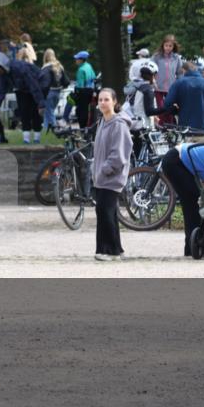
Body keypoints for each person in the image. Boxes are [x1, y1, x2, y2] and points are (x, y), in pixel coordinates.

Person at [161, 142, 204, 258]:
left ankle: (192, 246)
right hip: (176, 161)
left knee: (192, 203)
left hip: (177, 160)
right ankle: (198, 247)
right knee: (192, 202)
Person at [91, 88, 132, 261]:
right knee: (108, 212)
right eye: (100, 100)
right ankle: (116, 249)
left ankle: (109, 251)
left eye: (106, 99)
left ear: (114, 102)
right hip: (101, 178)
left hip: (112, 177)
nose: (102, 103)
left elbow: (119, 154)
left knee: (104, 210)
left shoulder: (119, 124)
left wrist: (105, 169)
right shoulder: (102, 121)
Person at [0, 51, 45, 144]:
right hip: (21, 90)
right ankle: (26, 139)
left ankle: (36, 138)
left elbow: (33, 85)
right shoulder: (2, 74)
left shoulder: (20, 68)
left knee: (36, 112)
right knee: (23, 112)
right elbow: (1, 90)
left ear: (2, 66)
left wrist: (40, 103)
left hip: (36, 86)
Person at [163, 62, 204, 133]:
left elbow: (167, 104)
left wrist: (176, 111)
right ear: (196, 69)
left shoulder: (178, 83)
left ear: (183, 70)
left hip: (185, 130)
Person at [151, 34, 183, 125]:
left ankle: (170, 126)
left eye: (170, 46)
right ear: (163, 45)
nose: (168, 48)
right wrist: (153, 80)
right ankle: (161, 126)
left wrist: (179, 85)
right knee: (161, 108)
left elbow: (179, 73)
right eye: (166, 45)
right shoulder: (156, 56)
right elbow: (151, 69)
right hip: (158, 88)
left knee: (170, 109)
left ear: (173, 46)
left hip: (171, 88)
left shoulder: (176, 58)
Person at [40, 48, 69, 133]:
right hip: (58, 92)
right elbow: (66, 81)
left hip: (49, 92)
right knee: (48, 111)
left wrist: (42, 93)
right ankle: (45, 129)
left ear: (45, 56)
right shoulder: (59, 66)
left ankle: (56, 130)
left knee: (50, 111)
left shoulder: (46, 68)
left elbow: (44, 84)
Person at [72, 50, 96, 128]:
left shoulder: (81, 70)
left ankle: (82, 128)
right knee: (88, 110)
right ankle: (89, 126)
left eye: (77, 59)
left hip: (83, 92)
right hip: (91, 91)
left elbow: (80, 85)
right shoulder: (89, 66)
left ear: (81, 60)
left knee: (81, 111)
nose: (76, 60)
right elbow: (94, 77)